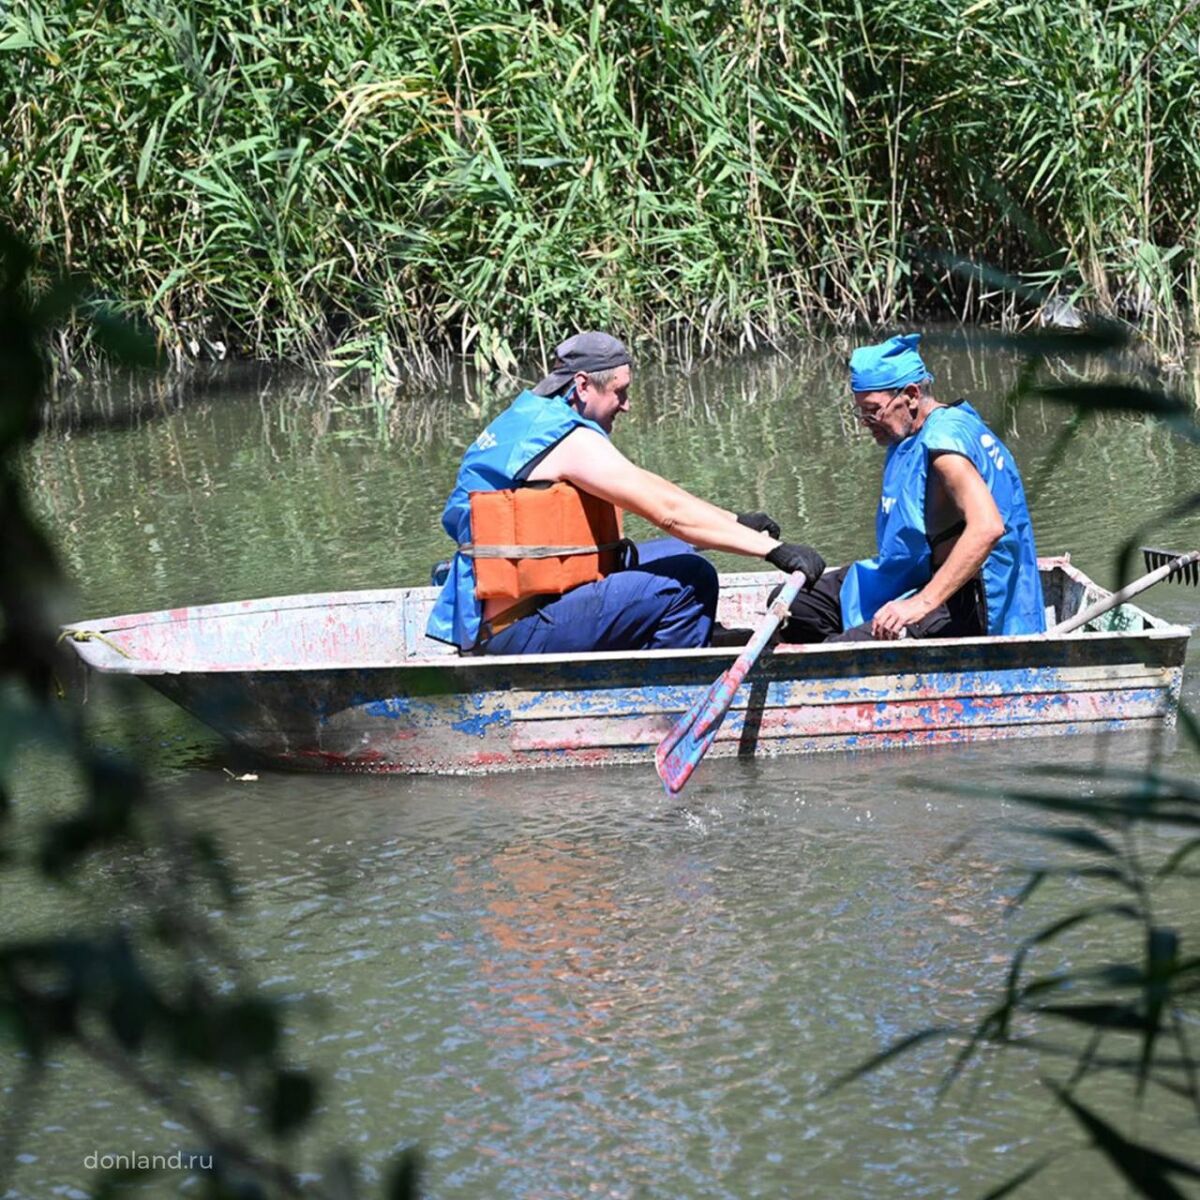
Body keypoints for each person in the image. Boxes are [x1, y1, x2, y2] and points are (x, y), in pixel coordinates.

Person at [426, 331, 825, 655]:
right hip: (517, 630)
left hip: (518, 611)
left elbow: (654, 488)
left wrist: (734, 524)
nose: (627, 405)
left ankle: (678, 641)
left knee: (678, 553)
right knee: (690, 578)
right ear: (582, 386)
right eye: (619, 392)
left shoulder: (531, 418)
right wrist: (771, 550)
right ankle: (668, 687)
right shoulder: (566, 441)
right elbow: (667, 511)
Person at [780, 333, 1046, 643]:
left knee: (841, 650)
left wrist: (919, 604)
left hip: (961, 599)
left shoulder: (943, 447)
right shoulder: (914, 431)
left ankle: (855, 657)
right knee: (794, 606)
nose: (865, 422)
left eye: (873, 410)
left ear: (911, 394)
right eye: (861, 412)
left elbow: (988, 527)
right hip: (913, 572)